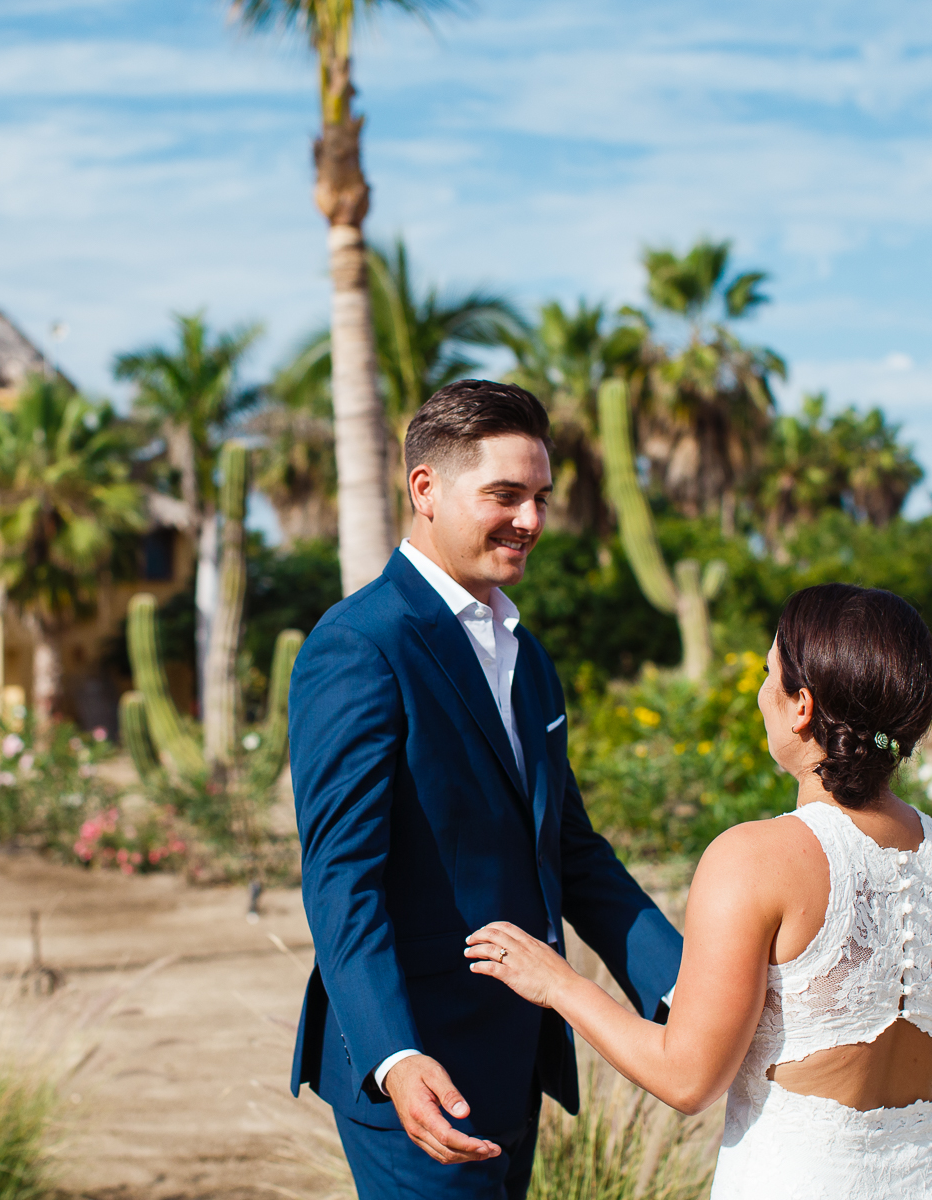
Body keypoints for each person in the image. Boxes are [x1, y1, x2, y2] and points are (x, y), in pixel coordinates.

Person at [286, 380, 684, 1199]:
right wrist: (395, 1058)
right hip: (415, 1072)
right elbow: (340, 878)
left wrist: (683, 983)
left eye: (539, 497)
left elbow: (569, 849)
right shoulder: (359, 645)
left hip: (516, 1055)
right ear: (424, 489)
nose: (531, 520)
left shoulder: (525, 654)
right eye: (504, 495)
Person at [467, 583, 932, 1199]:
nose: (761, 695)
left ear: (802, 706)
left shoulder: (755, 859)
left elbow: (687, 1079)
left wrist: (558, 984)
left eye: (770, 675)